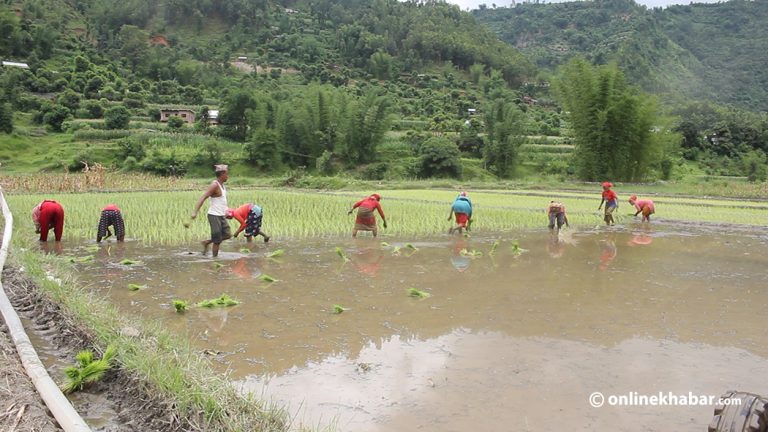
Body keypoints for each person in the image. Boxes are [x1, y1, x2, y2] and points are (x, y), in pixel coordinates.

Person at [192, 164, 231, 257]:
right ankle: (215, 260)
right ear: (222, 174)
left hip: (221, 215)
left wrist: (226, 211)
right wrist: (195, 212)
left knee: (227, 235)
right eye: (227, 174)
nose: (228, 176)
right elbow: (203, 197)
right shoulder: (214, 185)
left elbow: (221, 201)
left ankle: (207, 242)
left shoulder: (222, 185)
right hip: (214, 215)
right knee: (217, 241)